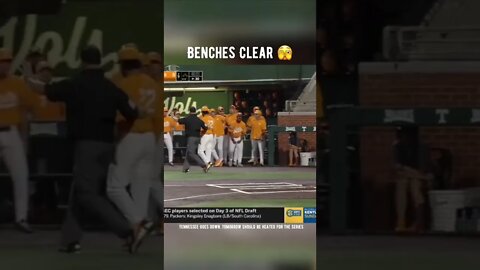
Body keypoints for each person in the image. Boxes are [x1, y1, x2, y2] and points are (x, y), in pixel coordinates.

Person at [29, 45, 146, 253]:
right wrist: (120, 136)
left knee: (87, 194)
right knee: (80, 192)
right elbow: (135, 112)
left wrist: (27, 79)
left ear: (82, 61)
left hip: (86, 146)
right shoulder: (110, 86)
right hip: (108, 147)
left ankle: (129, 230)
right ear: (99, 61)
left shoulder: (76, 84)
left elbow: (44, 90)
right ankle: (70, 240)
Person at [106, 47, 160, 242]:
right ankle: (137, 234)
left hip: (130, 135)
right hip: (149, 138)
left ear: (123, 66)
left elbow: (122, 118)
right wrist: (154, 140)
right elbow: (159, 118)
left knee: (114, 186)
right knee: (140, 190)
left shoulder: (124, 83)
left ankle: (139, 221)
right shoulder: (153, 83)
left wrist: (115, 142)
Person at [0, 48, 35, 233]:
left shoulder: (17, 84)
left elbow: (26, 112)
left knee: (21, 176)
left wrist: (25, 138)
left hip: (12, 132)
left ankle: (21, 218)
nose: (4, 64)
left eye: (6, 61)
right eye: (1, 61)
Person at [393, 126, 432, 233]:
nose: (403, 137)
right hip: (409, 176)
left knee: (415, 186)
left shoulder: (422, 148)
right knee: (401, 183)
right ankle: (401, 222)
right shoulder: (397, 146)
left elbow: (424, 169)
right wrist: (420, 176)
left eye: (405, 134)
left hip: (419, 177)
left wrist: (419, 175)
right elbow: (398, 168)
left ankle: (419, 223)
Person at [179, 106, 213, 173]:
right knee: (188, 153)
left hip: (191, 138)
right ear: (195, 111)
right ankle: (185, 168)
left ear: (189, 111)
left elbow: (179, 121)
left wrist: (173, 116)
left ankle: (204, 165)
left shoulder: (188, 118)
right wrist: (202, 133)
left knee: (191, 153)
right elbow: (205, 127)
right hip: (198, 138)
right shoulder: (199, 119)